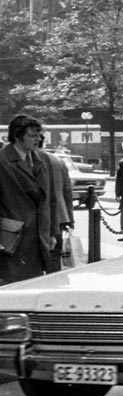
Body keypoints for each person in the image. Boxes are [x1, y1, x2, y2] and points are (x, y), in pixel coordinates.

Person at [0, 114, 60, 283]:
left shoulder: (42, 159)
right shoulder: (2, 161)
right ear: (17, 136)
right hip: (11, 241)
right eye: (33, 135)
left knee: (36, 284)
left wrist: (53, 233)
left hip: (40, 238)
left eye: (39, 135)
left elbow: (51, 199)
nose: (38, 139)